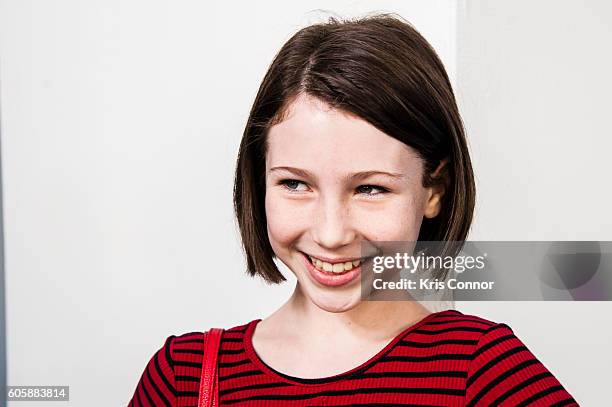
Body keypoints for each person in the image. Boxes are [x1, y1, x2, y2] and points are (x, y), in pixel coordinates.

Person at [128, 14, 578, 406]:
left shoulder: (483, 371)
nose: (331, 233)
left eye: (370, 189)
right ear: (258, 180)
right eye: (295, 183)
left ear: (434, 190)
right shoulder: (182, 378)